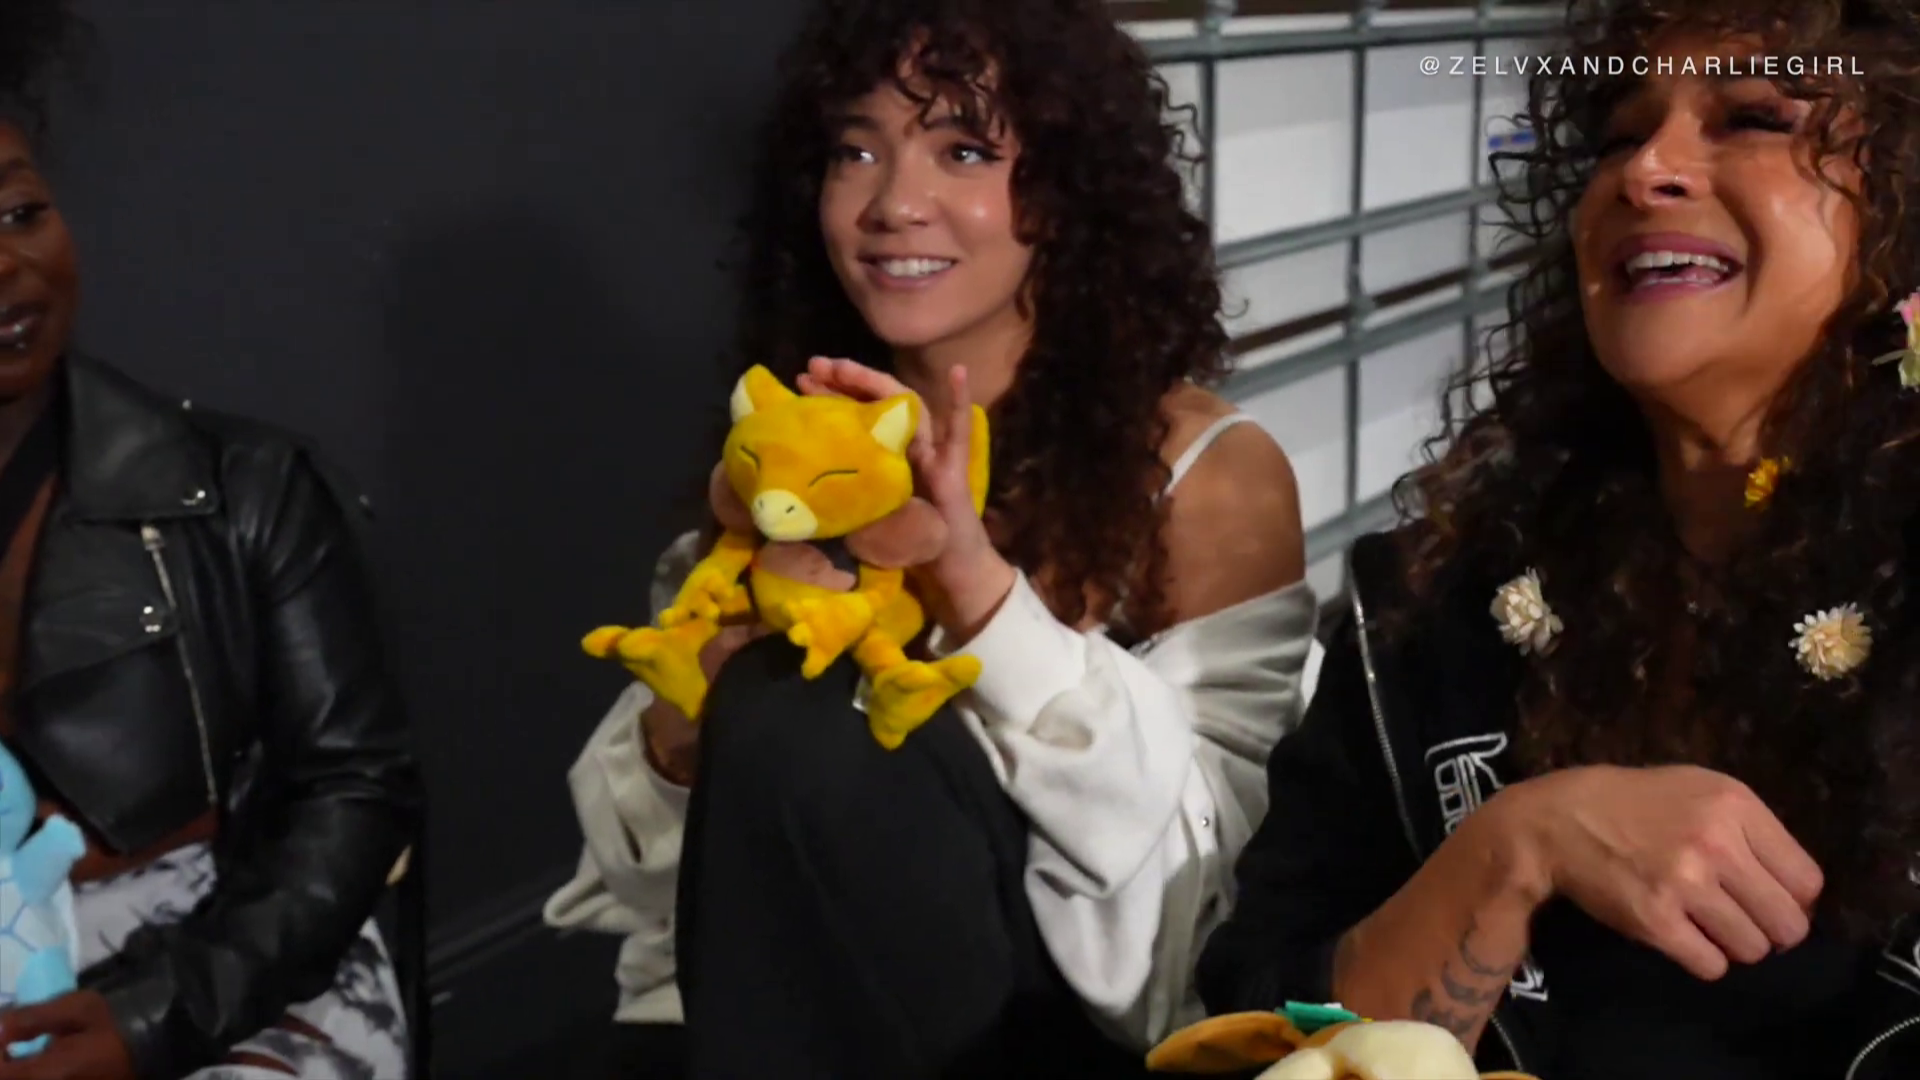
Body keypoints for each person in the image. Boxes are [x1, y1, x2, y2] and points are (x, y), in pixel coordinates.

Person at [543, 0, 1315, 1076]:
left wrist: (978, 594)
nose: (894, 204)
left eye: (965, 150)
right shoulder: (796, 447)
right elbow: (662, 898)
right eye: (855, 150)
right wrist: (689, 713)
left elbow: (1214, 911)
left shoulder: (1206, 475)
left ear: (1072, 189)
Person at [1197, 1, 1920, 1077]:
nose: (1647, 172)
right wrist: (1516, 850)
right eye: (1620, 135)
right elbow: (1255, 1021)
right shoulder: (1430, 606)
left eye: (1756, 118)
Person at [0, 5, 422, 1078]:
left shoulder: (243, 489)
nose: (6, 264)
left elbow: (352, 794)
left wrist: (155, 1017)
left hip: (226, 966)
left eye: (19, 213)